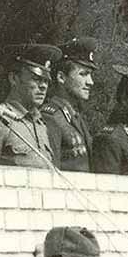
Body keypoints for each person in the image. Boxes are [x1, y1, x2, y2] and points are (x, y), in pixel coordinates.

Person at [0, 44, 59, 168]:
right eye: (36, 79)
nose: (43, 86)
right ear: (14, 79)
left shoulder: (41, 125)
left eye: (46, 81)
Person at [43, 36, 97, 172]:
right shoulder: (51, 118)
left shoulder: (75, 117)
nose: (90, 82)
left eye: (90, 75)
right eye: (83, 74)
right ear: (61, 77)